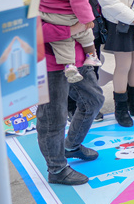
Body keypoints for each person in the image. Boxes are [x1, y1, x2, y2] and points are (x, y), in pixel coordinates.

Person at [36, 16, 105, 185]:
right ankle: (57, 168)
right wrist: (73, 29)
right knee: (53, 117)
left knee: (93, 100)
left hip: (78, 56)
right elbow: (33, 29)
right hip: (50, 62)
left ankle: (71, 146)